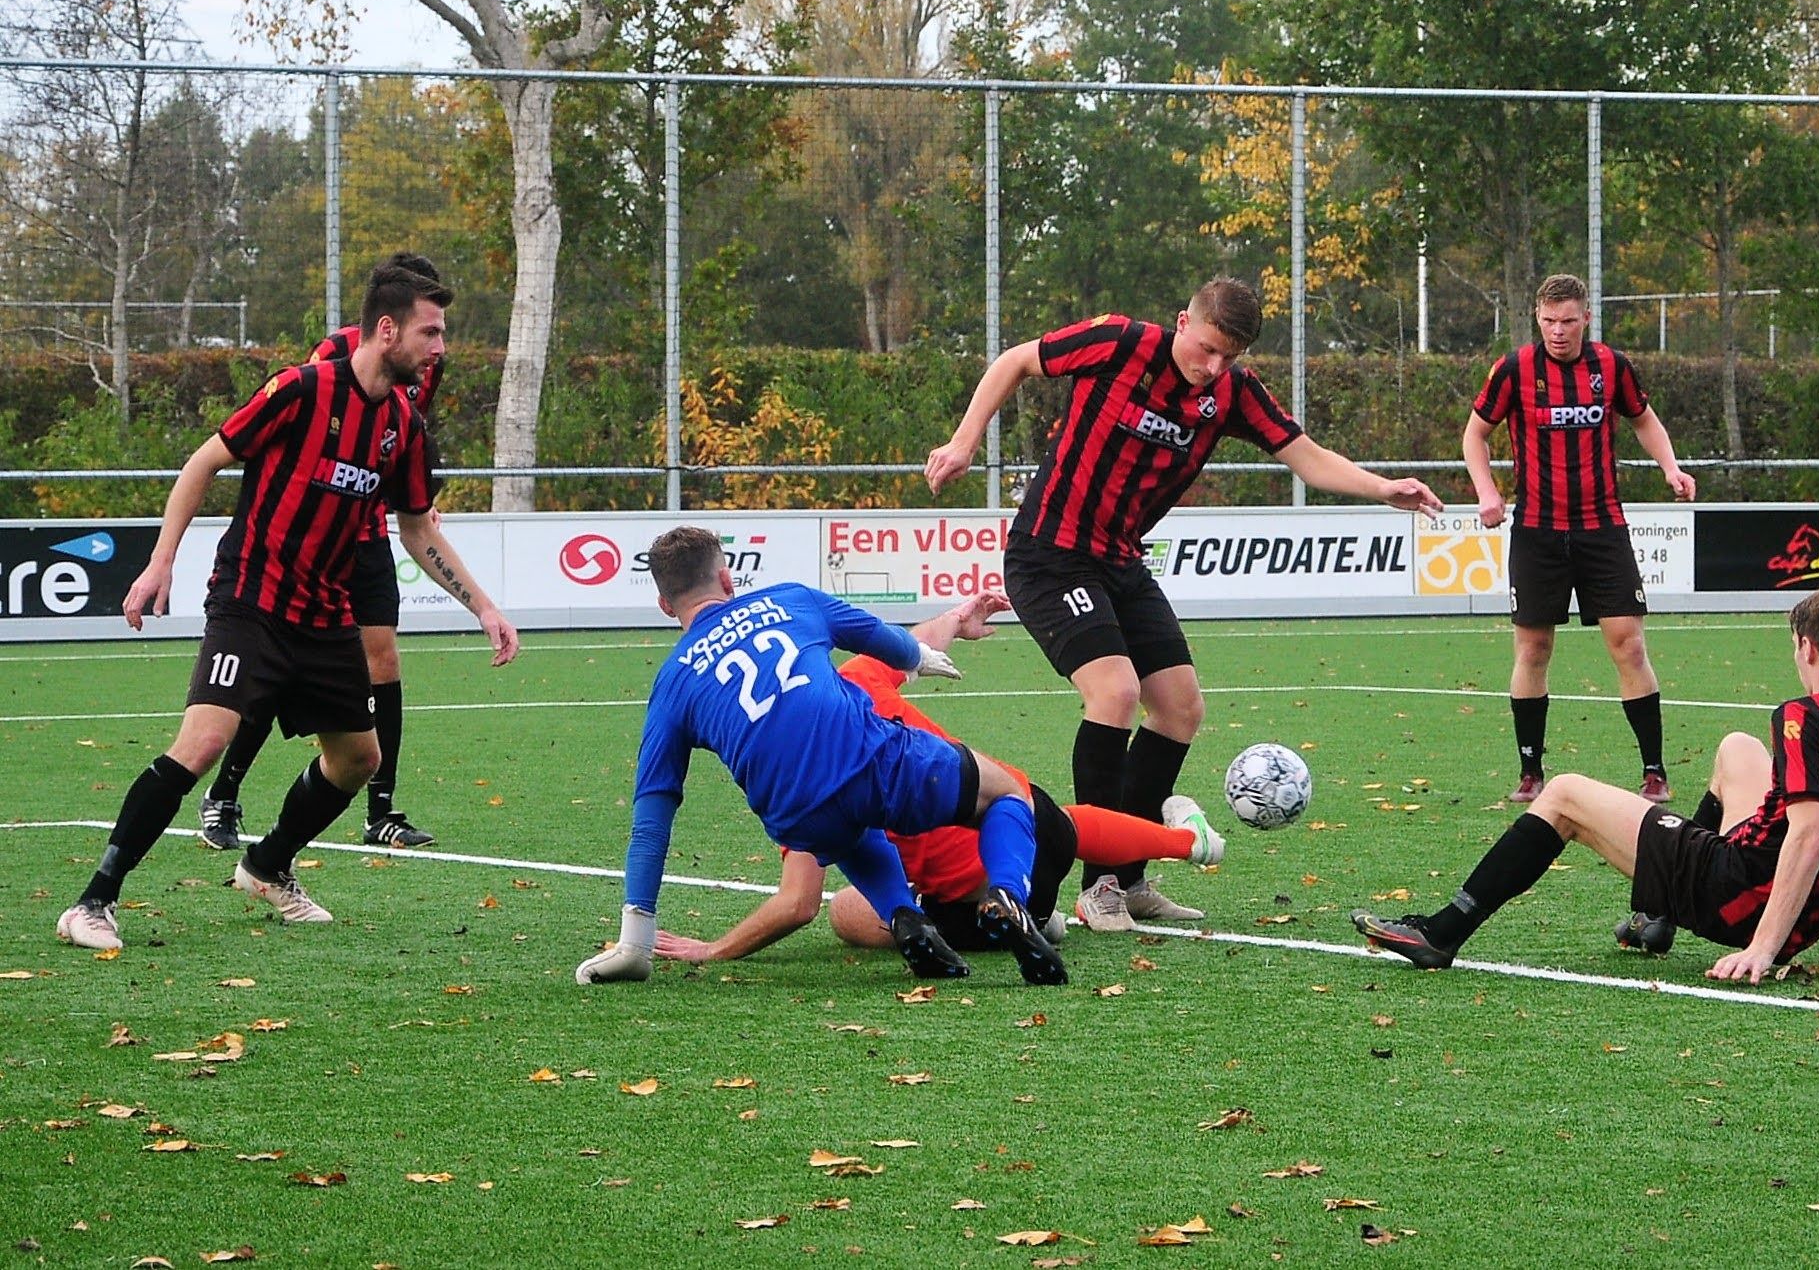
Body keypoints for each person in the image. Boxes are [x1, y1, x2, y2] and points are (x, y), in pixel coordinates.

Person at [923, 276, 1443, 934]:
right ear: (1180, 323)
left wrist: (1381, 487)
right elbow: (1016, 360)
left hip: (1120, 560)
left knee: (1179, 707)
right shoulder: (1119, 342)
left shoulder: (1232, 394)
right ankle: (1097, 885)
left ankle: (1132, 876)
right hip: (1048, 553)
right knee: (1113, 692)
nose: (1213, 367)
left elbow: (1307, 459)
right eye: (1205, 349)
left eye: (1230, 356)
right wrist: (966, 439)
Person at [55, 258, 519, 953]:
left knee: (360, 758)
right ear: (386, 329)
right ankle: (92, 901)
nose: (440, 347)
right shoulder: (301, 390)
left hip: (325, 611)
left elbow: (418, 528)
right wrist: (160, 561)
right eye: (431, 331)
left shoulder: (401, 427)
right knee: (204, 742)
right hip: (251, 597)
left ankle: (267, 863)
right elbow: (202, 463)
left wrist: (483, 605)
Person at [1352, 580, 1819, 986]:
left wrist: (1759, 947)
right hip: (1800, 920)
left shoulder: (1804, 716)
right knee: (1735, 748)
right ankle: (1656, 920)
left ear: (1808, 648)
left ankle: (1441, 933)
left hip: (1737, 892)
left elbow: (1810, 834)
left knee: (1562, 794)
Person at [572, 526, 1066, 988]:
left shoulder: (671, 684)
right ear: (727, 578)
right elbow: (879, 637)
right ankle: (1006, 898)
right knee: (1005, 792)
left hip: (796, 817)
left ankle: (905, 918)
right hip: (872, 760)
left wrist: (636, 941)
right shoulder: (789, 599)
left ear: (664, 604)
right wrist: (919, 658)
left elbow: (651, 818)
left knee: (849, 829)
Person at [651, 597, 1225, 971]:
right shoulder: (856, 675)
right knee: (1041, 809)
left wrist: (713, 950)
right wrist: (956, 618)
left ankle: (925, 916)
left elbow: (796, 903)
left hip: (960, 913)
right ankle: (1186, 844)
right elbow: (906, 647)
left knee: (844, 907)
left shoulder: (792, 775)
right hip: (1037, 846)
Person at [200, 251, 452, 853]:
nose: (437, 343)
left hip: (371, 535)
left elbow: (402, 440)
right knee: (276, 671)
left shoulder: (424, 364)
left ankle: (381, 810)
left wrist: (413, 502)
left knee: (384, 660)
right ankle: (224, 793)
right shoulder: (332, 357)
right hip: (316, 544)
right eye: (430, 325)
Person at [1466, 273, 1696, 804]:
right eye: (1549, 321)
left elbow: (1645, 420)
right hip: (1537, 533)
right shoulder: (1516, 368)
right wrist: (1487, 491)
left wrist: (1671, 469)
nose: (1558, 331)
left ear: (1586, 318)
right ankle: (1530, 771)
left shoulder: (1610, 366)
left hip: (1603, 529)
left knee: (1629, 645)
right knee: (1534, 648)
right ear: (1537, 320)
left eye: (1568, 320)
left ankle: (1655, 771)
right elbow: (1474, 433)